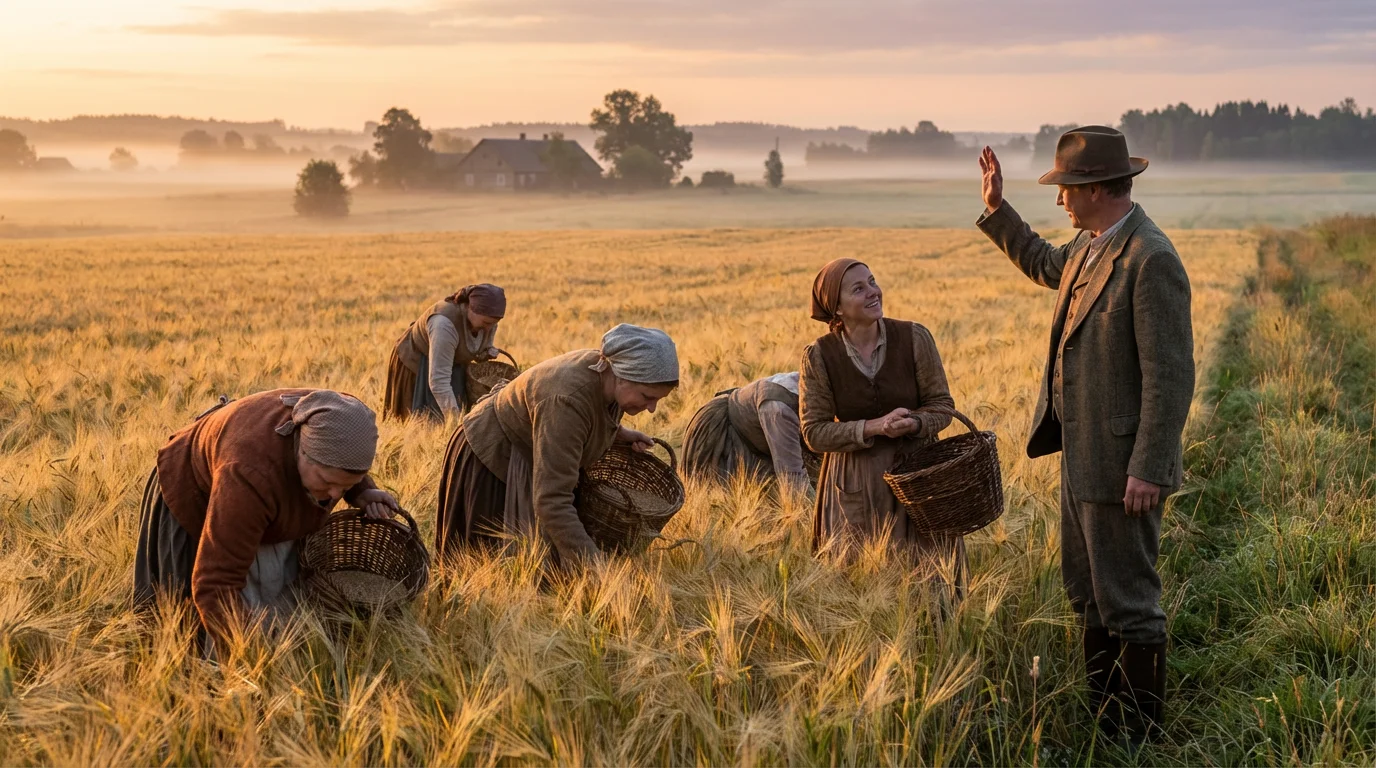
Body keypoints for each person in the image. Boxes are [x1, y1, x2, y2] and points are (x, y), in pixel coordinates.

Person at [976, 126, 1194, 745]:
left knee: (1129, 600)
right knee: (1089, 595)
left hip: (1125, 465)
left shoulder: (1151, 259)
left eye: (1067, 188)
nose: (1060, 201)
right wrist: (997, 209)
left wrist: (1149, 467)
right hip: (1082, 456)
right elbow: (1045, 263)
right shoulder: (1091, 245)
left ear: (1097, 188)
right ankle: (1107, 725)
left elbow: (1171, 376)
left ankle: (1143, 738)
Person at [134, 389, 400, 643]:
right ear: (302, 452)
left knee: (281, 609)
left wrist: (362, 491)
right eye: (326, 481)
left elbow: (343, 465)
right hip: (196, 488)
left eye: (344, 485)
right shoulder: (248, 474)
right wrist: (246, 657)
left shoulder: (340, 419)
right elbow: (216, 584)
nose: (333, 495)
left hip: (255, 485)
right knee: (191, 633)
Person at [436, 324, 678, 565]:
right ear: (624, 375)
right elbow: (552, 500)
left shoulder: (607, 377)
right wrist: (597, 566)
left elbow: (583, 420)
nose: (652, 408)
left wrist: (617, 433)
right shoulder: (566, 402)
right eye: (648, 397)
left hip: (526, 451)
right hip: (488, 457)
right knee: (485, 565)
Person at [799, 258, 965, 589]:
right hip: (855, 485)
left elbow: (943, 406)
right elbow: (814, 432)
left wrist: (915, 423)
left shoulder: (914, 337)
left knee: (930, 582)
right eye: (859, 288)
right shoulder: (819, 356)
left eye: (873, 282)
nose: (873, 292)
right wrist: (873, 427)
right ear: (838, 308)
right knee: (862, 583)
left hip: (918, 478)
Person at [384, 284, 506, 420]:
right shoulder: (444, 326)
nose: (489, 328)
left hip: (452, 362)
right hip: (417, 363)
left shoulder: (488, 320)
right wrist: (455, 420)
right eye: (486, 323)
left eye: (494, 323)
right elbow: (438, 381)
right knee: (426, 420)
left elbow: (478, 347)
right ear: (471, 308)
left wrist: (486, 352)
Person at [682, 372, 817, 494]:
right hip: (722, 434)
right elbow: (791, 476)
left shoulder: (819, 387)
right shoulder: (779, 409)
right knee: (722, 495)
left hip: (758, 435)